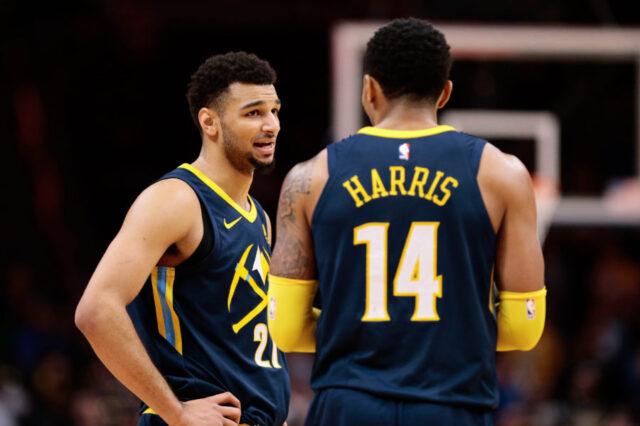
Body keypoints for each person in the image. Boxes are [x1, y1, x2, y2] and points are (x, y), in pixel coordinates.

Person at [267, 18, 546, 426]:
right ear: (445, 92)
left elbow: (287, 329)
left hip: (349, 405)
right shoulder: (503, 174)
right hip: (452, 405)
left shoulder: (309, 178)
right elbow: (524, 330)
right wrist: (445, 330)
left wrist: (364, 331)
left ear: (368, 89)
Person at [75, 51, 290, 426]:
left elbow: (244, 337)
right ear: (210, 122)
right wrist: (177, 411)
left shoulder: (259, 218)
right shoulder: (176, 199)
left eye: (274, 111)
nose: (271, 124)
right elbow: (96, 310)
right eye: (253, 113)